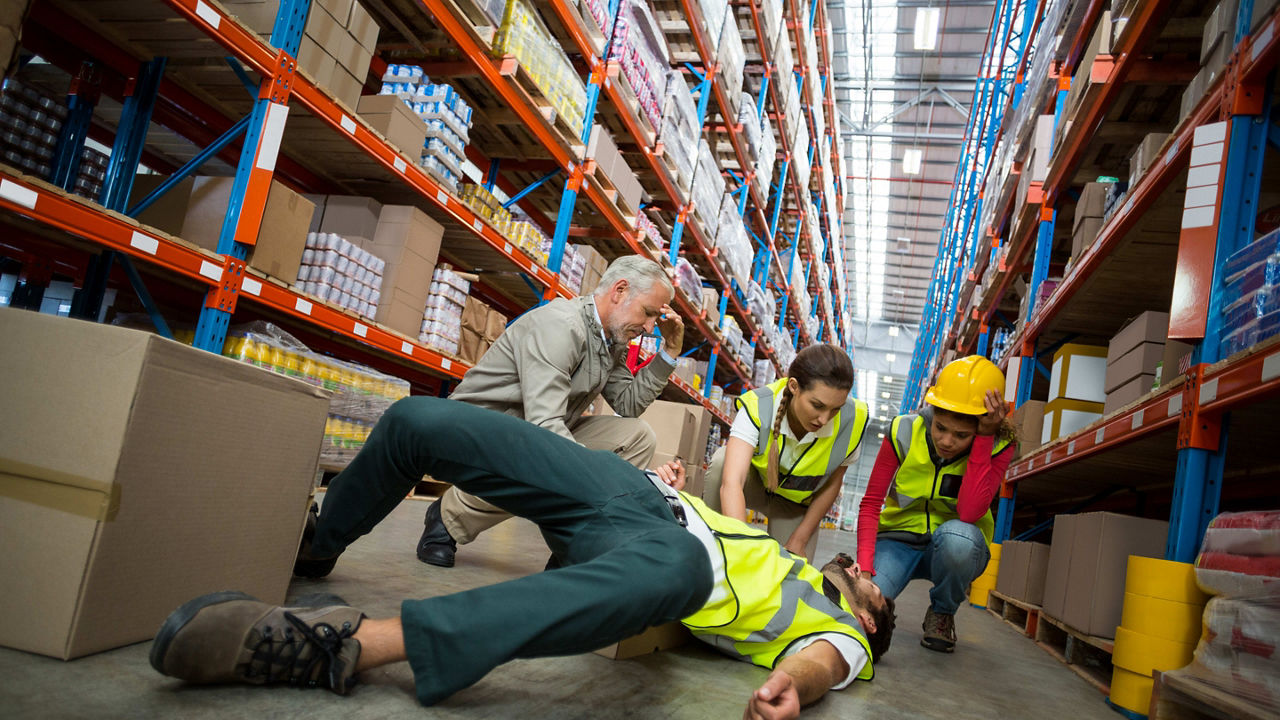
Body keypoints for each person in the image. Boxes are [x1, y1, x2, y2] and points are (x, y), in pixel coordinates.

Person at [150, 397, 896, 719]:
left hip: (653, 554)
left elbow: (819, 666)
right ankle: (318, 546)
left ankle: (344, 646)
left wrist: (791, 686)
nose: (863, 573)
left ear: (868, 618)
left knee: (682, 571)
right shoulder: (790, 558)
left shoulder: (840, 633)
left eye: (874, 591)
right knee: (417, 423)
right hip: (628, 493)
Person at [297, 254, 684, 576]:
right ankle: (353, 534)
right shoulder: (561, 325)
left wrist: (669, 351)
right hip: (484, 431)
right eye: (649, 314)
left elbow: (629, 405)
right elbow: (545, 427)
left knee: (637, 436)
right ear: (619, 291)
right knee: (555, 461)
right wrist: (611, 482)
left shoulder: (609, 340)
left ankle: (573, 553)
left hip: (531, 437)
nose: (650, 327)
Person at [855, 355, 1015, 653]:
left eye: (961, 435)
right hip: (897, 541)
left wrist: (983, 440)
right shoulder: (903, 431)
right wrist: (865, 572)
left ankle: (942, 613)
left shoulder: (998, 446)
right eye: (940, 427)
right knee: (864, 609)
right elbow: (871, 502)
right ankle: (884, 603)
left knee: (959, 541)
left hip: (957, 546)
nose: (947, 441)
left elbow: (969, 512)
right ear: (932, 411)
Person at [702, 344, 869, 561]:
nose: (824, 419)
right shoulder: (759, 406)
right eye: (817, 405)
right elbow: (732, 482)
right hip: (755, 486)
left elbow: (832, 485)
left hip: (796, 506)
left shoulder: (852, 421)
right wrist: (740, 546)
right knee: (722, 461)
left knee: (791, 573)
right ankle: (712, 544)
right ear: (794, 386)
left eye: (835, 409)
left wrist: (799, 540)